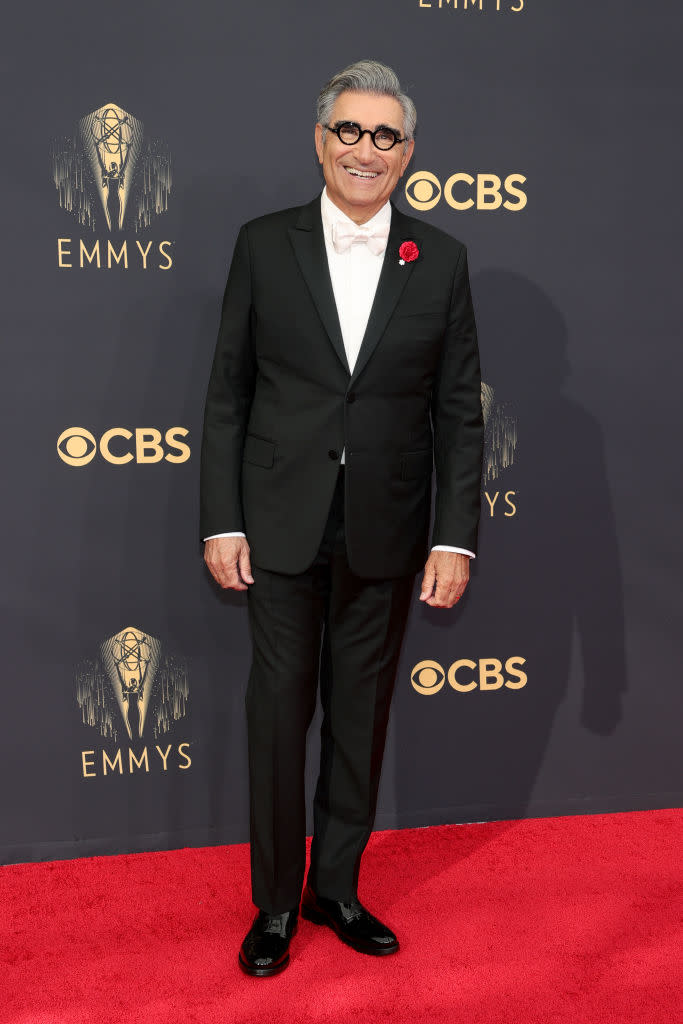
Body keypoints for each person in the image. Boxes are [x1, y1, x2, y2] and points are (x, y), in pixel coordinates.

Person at [200, 60, 484, 976]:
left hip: (386, 526)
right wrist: (221, 521)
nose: (366, 150)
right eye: (349, 132)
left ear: (407, 153)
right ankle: (276, 905)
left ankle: (338, 888)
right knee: (279, 715)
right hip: (278, 523)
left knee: (358, 715)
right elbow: (228, 396)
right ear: (320, 141)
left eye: (385, 136)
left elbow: (457, 408)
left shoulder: (439, 257)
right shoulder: (261, 242)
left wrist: (452, 535)